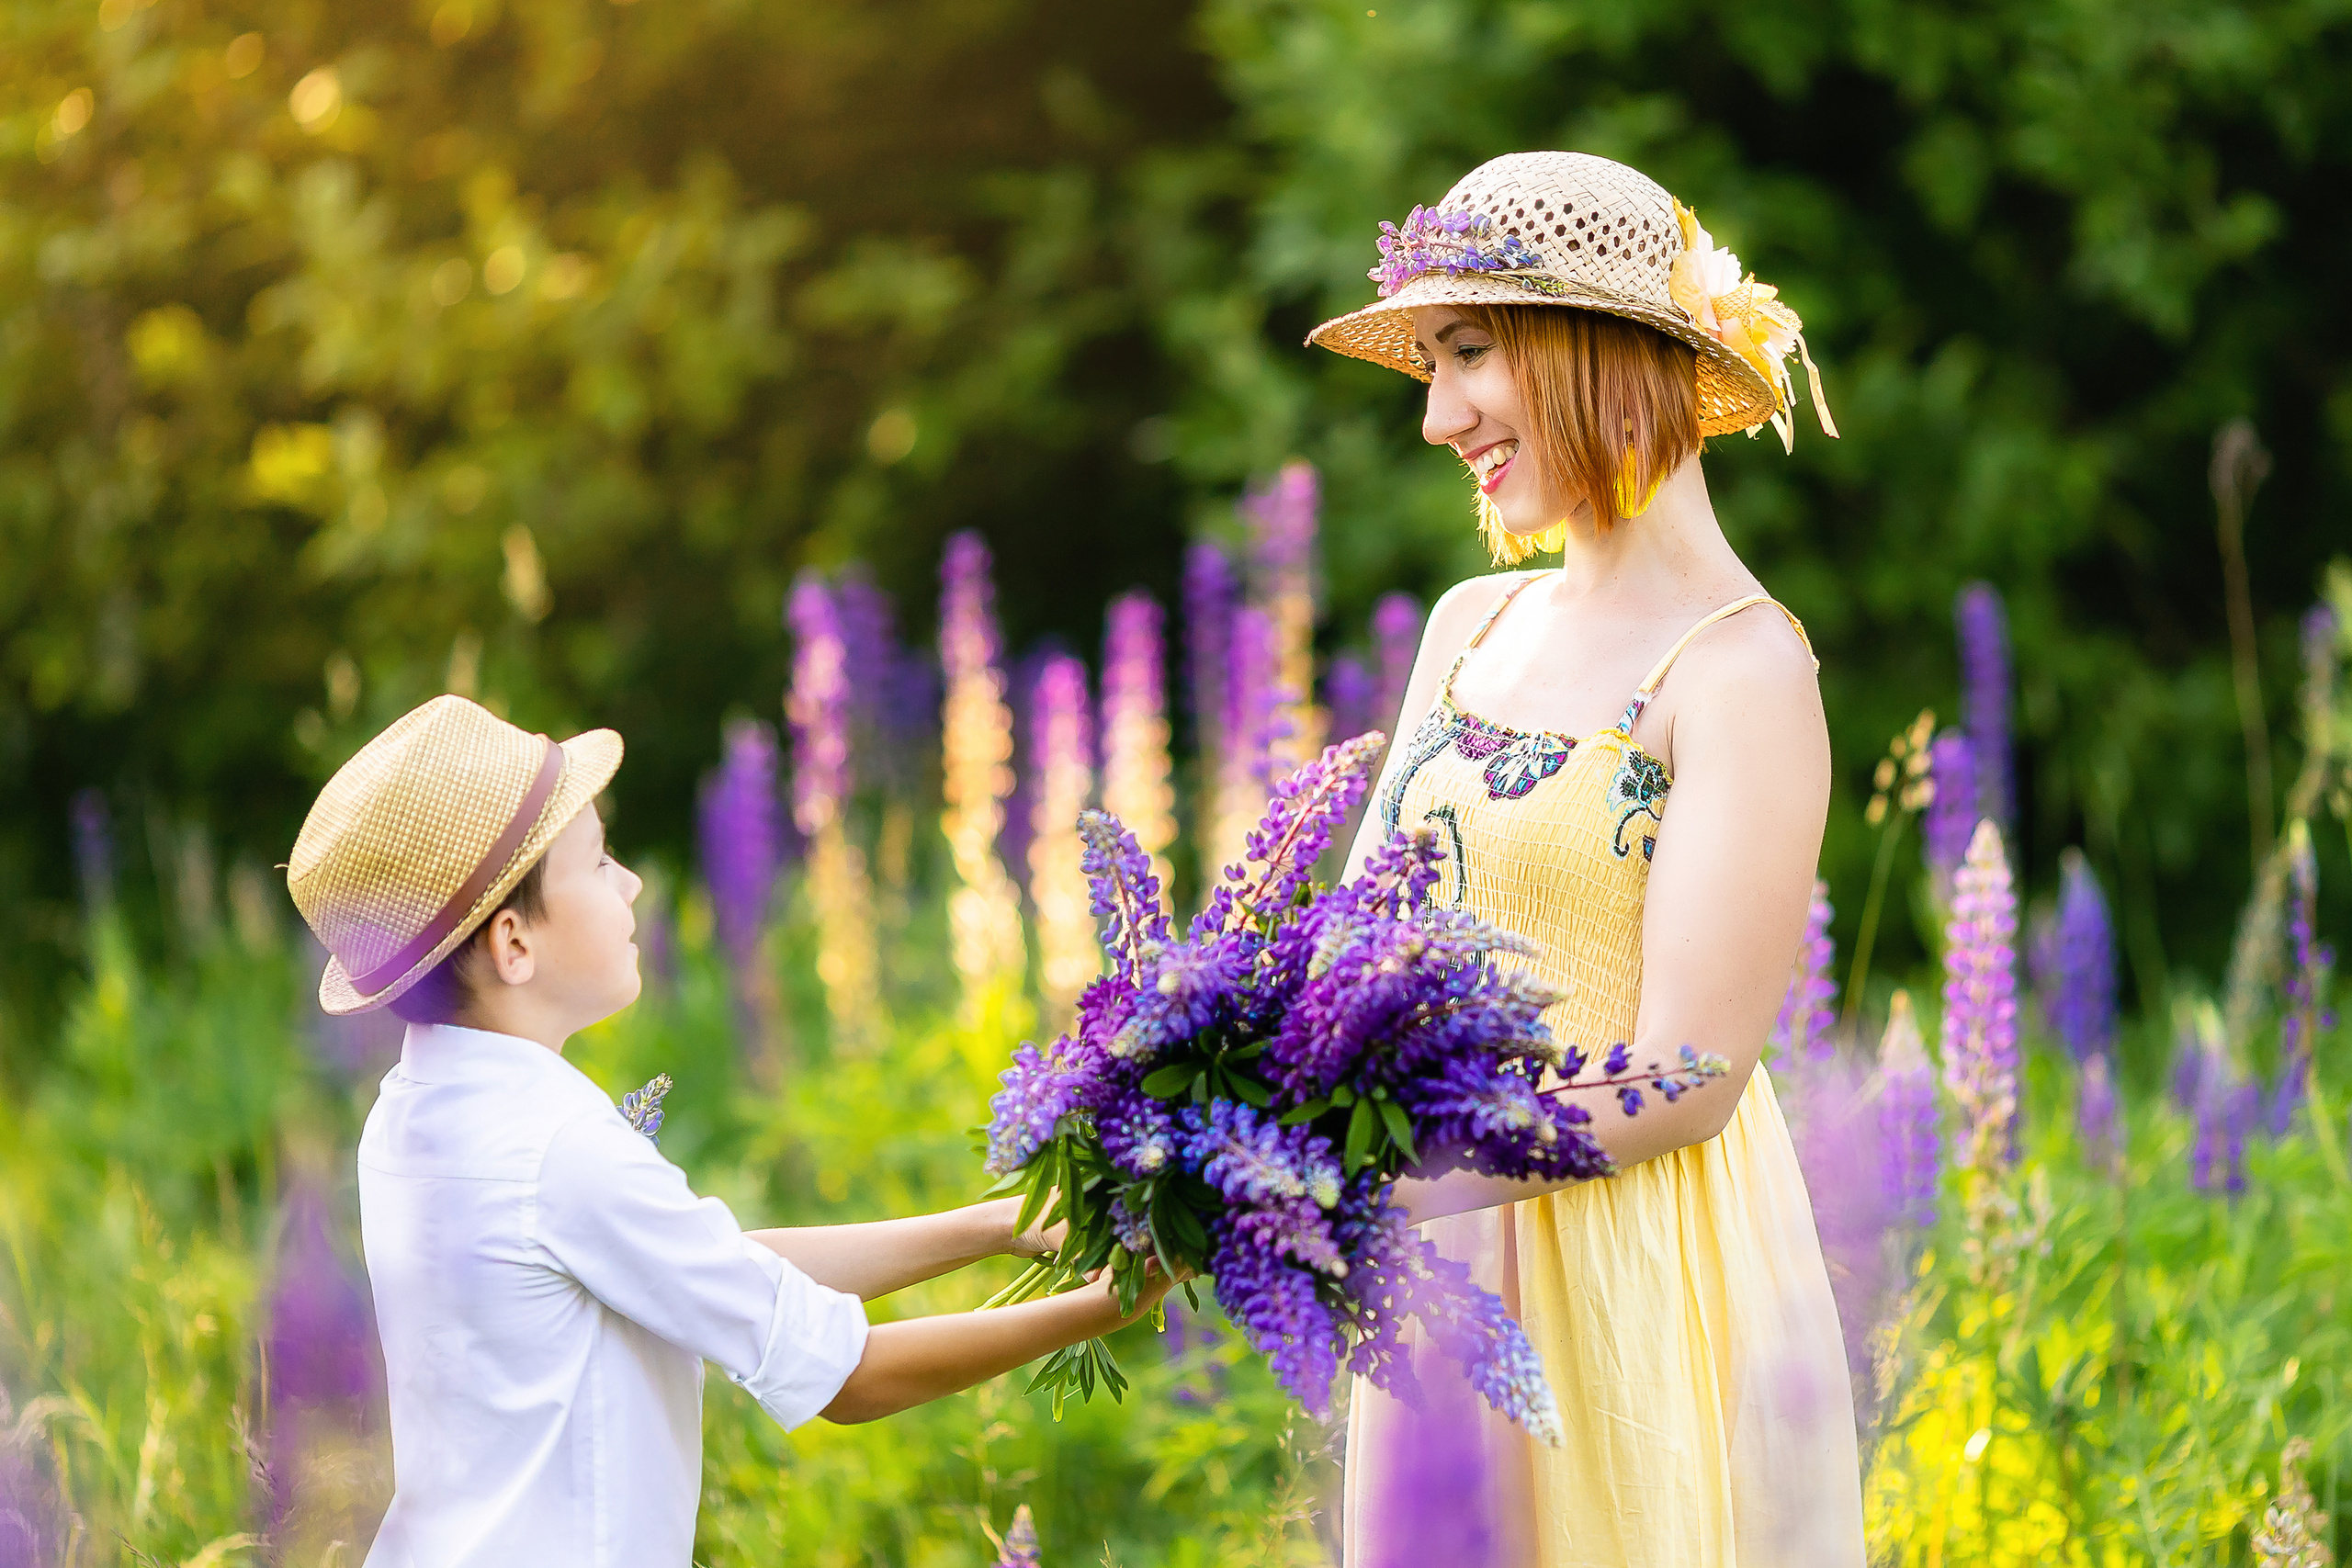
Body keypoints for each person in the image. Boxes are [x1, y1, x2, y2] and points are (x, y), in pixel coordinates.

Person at [1306, 152, 1864, 1564]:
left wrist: (1379, 1169)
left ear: (1597, 345)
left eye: (1470, 350)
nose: (1437, 417)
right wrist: (1225, 1102)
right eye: (1429, 364)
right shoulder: (1468, 621)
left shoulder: (1741, 667)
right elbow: (1341, 954)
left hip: (1638, 1283)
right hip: (1444, 1288)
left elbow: (1688, 1075)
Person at [285, 694, 1169, 1568]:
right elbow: (851, 1380)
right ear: (514, 943)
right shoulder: (557, 1148)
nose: (630, 883)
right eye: (596, 863)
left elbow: (700, 1263)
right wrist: (1104, 1306)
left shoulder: (411, 1112)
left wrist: (996, 1227)